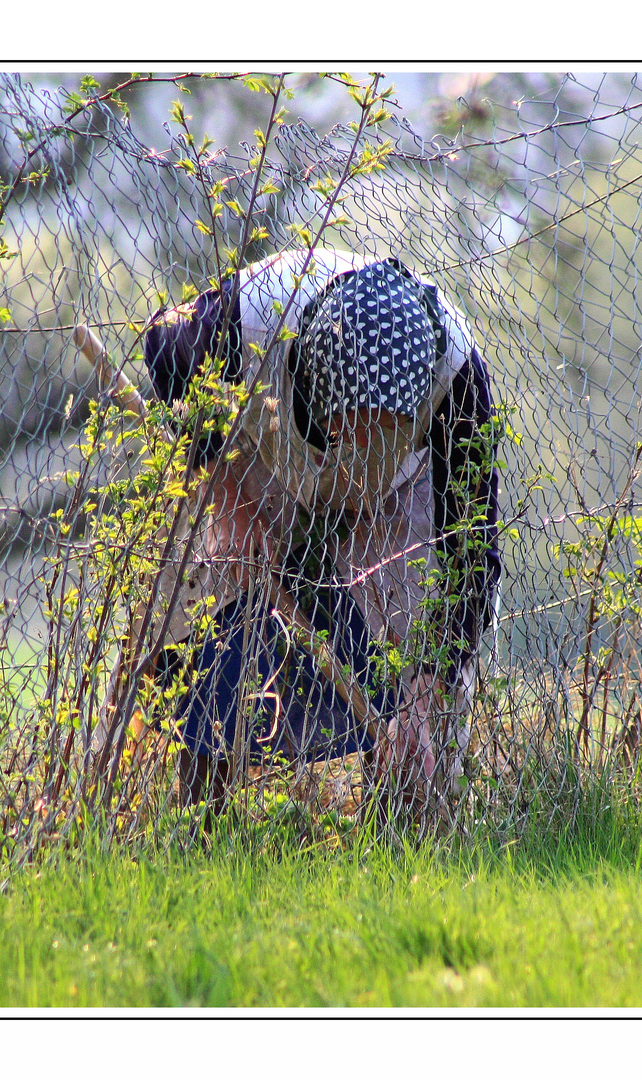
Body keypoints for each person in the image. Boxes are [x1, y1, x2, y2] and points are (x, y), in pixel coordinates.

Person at [136, 247, 500, 819]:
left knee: (417, 702)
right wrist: (229, 496)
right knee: (211, 627)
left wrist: (429, 689)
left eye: (384, 429)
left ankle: (407, 832)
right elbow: (162, 343)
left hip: (394, 495)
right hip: (265, 456)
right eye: (353, 422)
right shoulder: (248, 317)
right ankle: (202, 821)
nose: (357, 441)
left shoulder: (457, 378)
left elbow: (472, 554)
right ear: (324, 383)